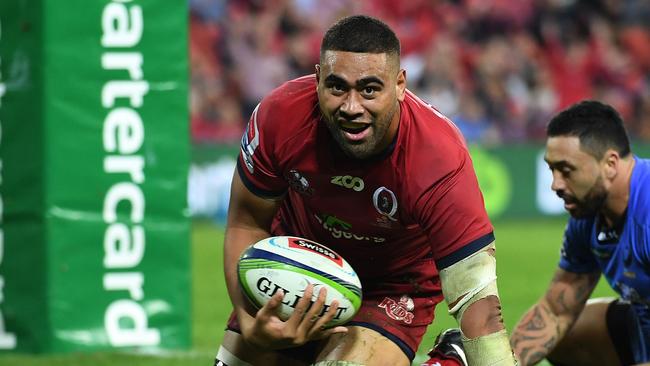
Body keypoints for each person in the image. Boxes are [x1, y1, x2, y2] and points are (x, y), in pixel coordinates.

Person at [216, 15, 517, 366]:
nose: (352, 107)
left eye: (370, 89)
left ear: (400, 85)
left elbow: (476, 297)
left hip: (392, 285)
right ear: (317, 80)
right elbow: (245, 223)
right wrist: (249, 319)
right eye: (337, 87)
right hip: (300, 267)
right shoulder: (279, 116)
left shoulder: (438, 157)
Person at [510, 100, 650, 366]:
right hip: (642, 327)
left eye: (566, 170)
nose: (555, 185)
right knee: (566, 334)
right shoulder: (589, 214)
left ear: (609, 164)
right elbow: (555, 311)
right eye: (552, 169)